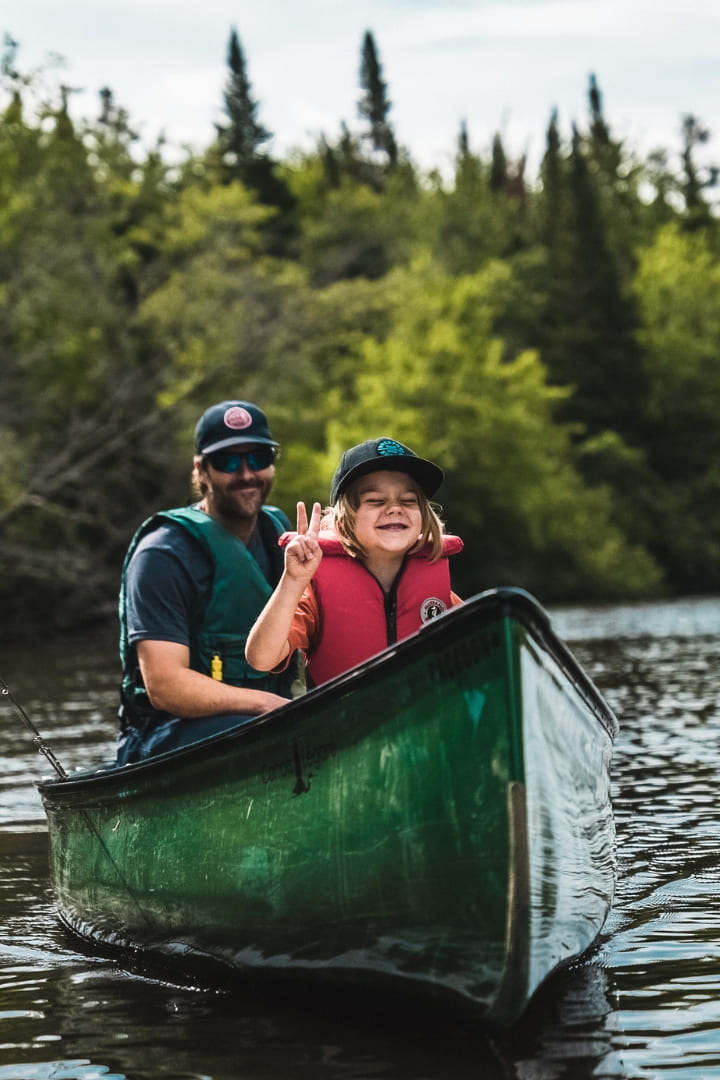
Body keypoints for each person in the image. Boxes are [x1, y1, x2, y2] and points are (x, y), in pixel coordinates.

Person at [117, 400, 298, 764]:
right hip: (167, 735)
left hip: (273, 719)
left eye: (259, 458)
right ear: (201, 470)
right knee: (264, 732)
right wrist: (268, 704)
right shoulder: (162, 555)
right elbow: (165, 686)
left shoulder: (285, 538)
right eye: (229, 462)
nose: (247, 474)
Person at [245, 437, 463, 689]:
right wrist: (293, 581)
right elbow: (261, 658)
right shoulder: (316, 595)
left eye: (408, 501)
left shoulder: (439, 595)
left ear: (423, 516)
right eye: (376, 501)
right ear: (346, 519)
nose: (394, 509)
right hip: (348, 725)